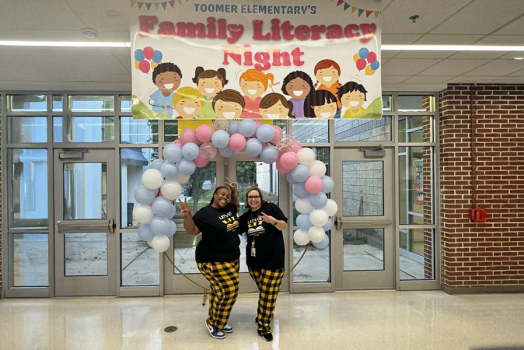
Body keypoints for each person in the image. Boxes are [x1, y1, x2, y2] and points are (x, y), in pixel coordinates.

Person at [179, 179, 240, 340]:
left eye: (226, 196)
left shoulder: (229, 208)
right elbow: (192, 230)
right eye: (222, 194)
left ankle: (220, 319)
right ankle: (214, 322)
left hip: (232, 258)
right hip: (212, 259)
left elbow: (236, 204)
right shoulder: (204, 214)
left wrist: (233, 191)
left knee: (218, 291)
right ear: (214, 195)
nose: (225, 198)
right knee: (230, 290)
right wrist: (187, 215)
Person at [238, 186, 288, 342]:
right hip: (254, 262)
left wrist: (272, 221)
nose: (253, 199)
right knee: (266, 292)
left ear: (261, 197)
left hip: (274, 260)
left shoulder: (270, 208)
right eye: (250, 197)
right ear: (247, 200)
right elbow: (233, 230)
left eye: (256, 196)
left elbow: (283, 226)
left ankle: (263, 325)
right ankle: (266, 313)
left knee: (267, 293)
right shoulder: (245, 217)